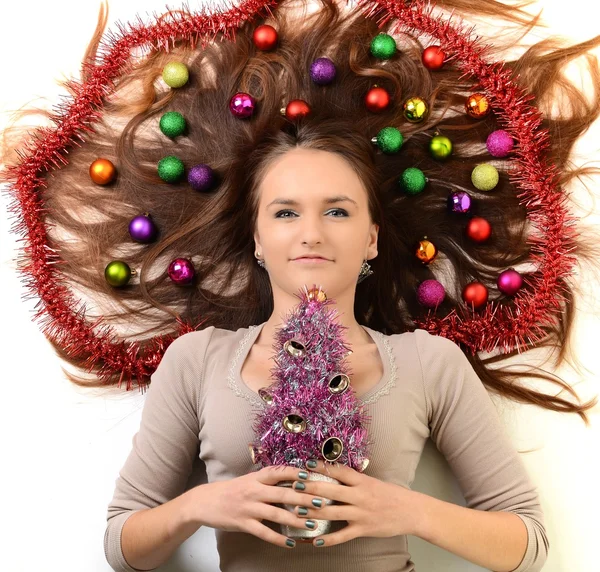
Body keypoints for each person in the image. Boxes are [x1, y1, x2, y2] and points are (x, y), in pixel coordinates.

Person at [1, 0, 599, 570]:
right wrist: (201, 506)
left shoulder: (429, 363)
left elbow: (529, 544)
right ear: (257, 239)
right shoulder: (197, 361)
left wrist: (406, 510)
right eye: (285, 212)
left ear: (370, 237)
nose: (311, 232)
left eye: (337, 211)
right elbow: (121, 546)